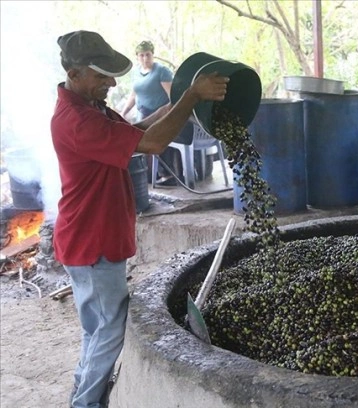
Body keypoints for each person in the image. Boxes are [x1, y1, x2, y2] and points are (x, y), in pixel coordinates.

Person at [51, 30, 228, 408]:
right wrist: (192, 96)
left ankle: (83, 395)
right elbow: (151, 144)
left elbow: (135, 132)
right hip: (91, 241)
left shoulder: (91, 108)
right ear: (75, 72)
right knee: (110, 331)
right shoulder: (76, 120)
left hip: (91, 236)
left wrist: (181, 100)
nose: (111, 83)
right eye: (102, 76)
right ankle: (85, 404)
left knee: (96, 330)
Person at [120, 40, 189, 185]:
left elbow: (172, 96)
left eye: (148, 55)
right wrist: (123, 112)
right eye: (141, 55)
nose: (145, 58)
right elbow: (134, 95)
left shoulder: (161, 71)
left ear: (153, 55)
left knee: (157, 142)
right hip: (142, 113)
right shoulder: (136, 74)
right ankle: (148, 177)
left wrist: (174, 113)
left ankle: (168, 176)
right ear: (137, 57)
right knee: (139, 144)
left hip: (160, 114)